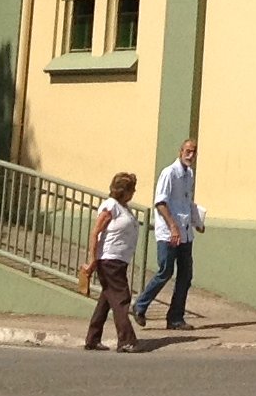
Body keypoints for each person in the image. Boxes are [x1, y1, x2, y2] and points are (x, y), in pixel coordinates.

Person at [132, 137, 201, 328]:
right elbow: (160, 202)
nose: (191, 155)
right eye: (188, 151)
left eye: (194, 152)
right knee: (165, 270)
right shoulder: (169, 173)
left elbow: (186, 202)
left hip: (186, 232)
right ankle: (140, 304)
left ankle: (175, 318)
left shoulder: (189, 175)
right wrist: (172, 226)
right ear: (180, 152)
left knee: (185, 275)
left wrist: (197, 221)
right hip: (169, 232)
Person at [82, 170, 141, 351]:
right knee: (121, 298)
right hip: (109, 259)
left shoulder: (124, 207)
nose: (134, 193)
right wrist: (92, 260)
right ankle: (126, 340)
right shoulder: (110, 206)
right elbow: (95, 233)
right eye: (132, 189)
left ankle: (92, 338)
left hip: (118, 260)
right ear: (124, 191)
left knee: (107, 299)